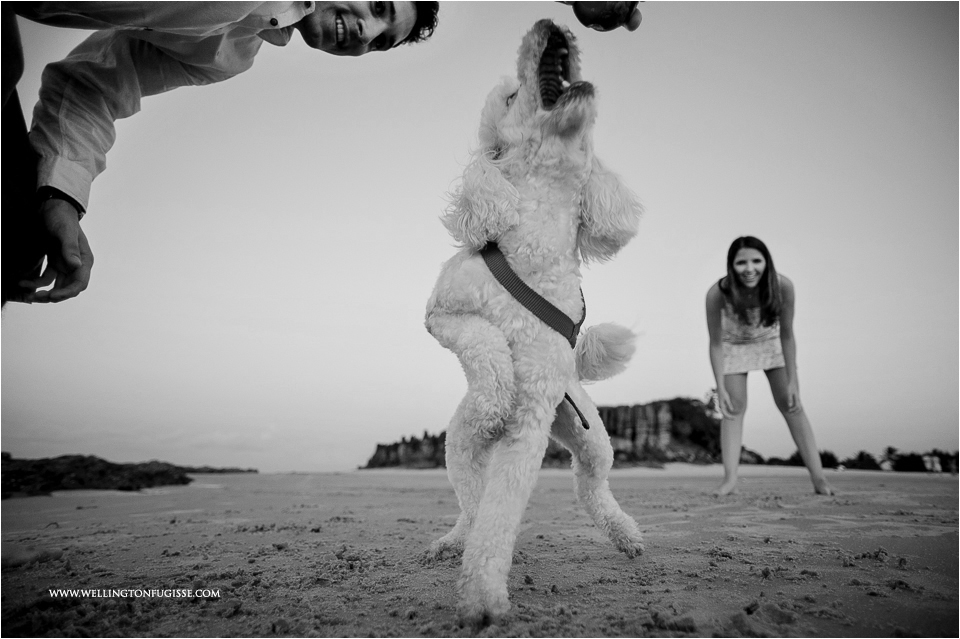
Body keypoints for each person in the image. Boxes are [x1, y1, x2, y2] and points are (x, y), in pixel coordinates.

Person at [1, 2, 641, 307]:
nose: (364, 30)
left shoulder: (227, 50)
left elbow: (94, 82)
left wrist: (61, 195)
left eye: (378, 39)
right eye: (378, 6)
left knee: (17, 239)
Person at [705, 236, 834, 496]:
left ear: (767, 262)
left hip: (771, 341)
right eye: (741, 262)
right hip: (734, 345)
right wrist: (720, 386)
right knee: (732, 409)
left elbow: (787, 334)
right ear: (731, 265)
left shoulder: (783, 286)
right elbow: (716, 343)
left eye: (756, 261)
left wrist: (793, 380)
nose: (749, 268)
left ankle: (819, 479)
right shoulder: (717, 293)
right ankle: (730, 480)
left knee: (791, 403)